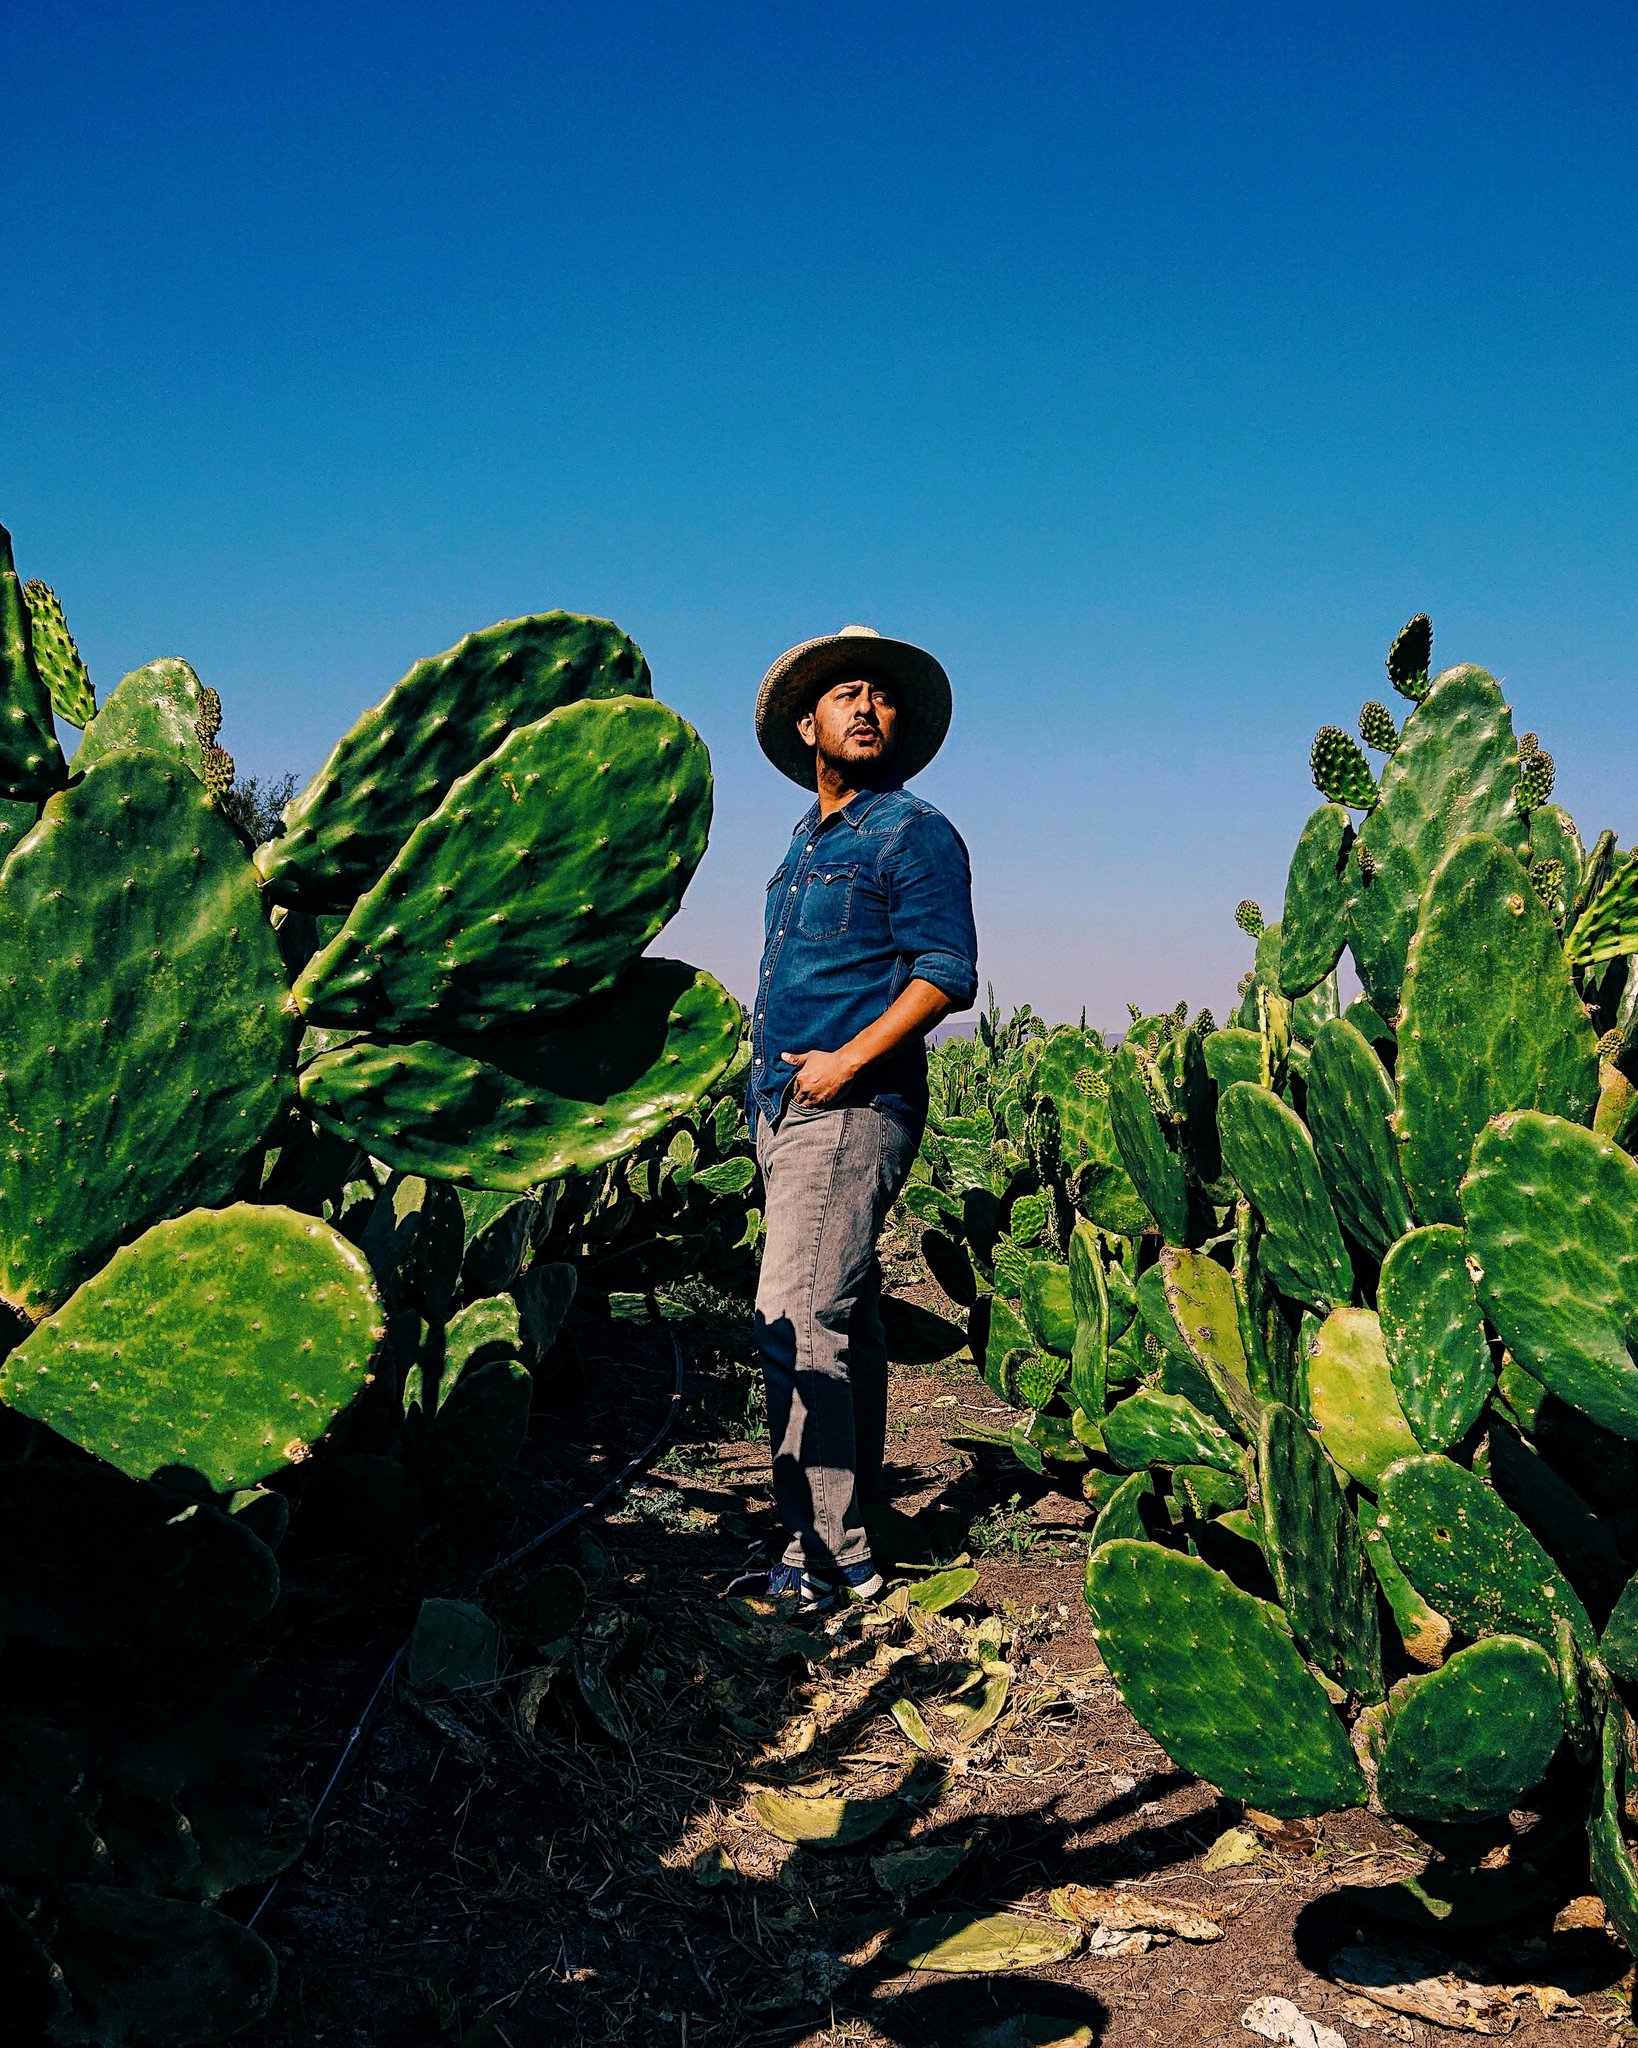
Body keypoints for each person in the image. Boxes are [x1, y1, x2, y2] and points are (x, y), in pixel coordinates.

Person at [730, 624, 978, 1615]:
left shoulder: (911, 831)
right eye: (846, 694)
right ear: (808, 725)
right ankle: (857, 1511)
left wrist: (844, 1063)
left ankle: (826, 1558)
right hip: (783, 1110)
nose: (868, 707)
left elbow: (945, 974)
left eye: (881, 695)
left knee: (796, 1321)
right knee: (847, 1318)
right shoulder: (805, 846)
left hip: (849, 1104)